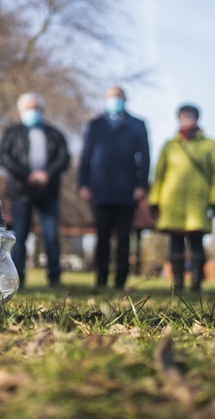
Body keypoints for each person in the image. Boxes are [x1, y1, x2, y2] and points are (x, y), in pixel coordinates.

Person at [78, 86, 150, 290]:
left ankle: (121, 280)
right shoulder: (95, 124)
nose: (114, 101)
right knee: (102, 236)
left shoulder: (137, 125)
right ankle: (101, 278)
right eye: (110, 97)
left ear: (124, 100)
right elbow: (86, 155)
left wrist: (141, 185)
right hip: (100, 189)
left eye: (117, 97)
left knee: (124, 238)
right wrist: (83, 183)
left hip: (127, 190)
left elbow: (144, 157)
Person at [148, 104, 215, 291]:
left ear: (197, 119)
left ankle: (196, 282)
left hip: (198, 201)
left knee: (196, 243)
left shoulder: (208, 144)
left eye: (190, 117)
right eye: (183, 117)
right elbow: (159, 174)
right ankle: (177, 282)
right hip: (172, 201)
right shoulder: (169, 145)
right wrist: (154, 199)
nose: (186, 120)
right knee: (175, 245)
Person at [0, 92, 70, 287]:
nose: (32, 111)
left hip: (48, 191)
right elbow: (4, 157)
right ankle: (17, 278)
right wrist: (27, 174)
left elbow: (64, 158)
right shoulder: (12, 132)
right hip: (21, 190)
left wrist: (47, 174)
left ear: (42, 110)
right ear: (20, 110)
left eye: (35, 107)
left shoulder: (54, 134)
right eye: (28, 108)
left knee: (51, 236)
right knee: (19, 236)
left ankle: (54, 279)